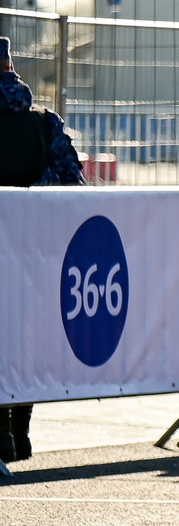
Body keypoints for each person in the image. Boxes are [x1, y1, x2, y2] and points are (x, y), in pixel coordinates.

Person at [0, 40, 86, 468]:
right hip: (37, 249)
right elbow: (74, 182)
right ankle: (20, 432)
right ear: (11, 67)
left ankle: (0, 435)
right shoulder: (44, 123)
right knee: (27, 338)